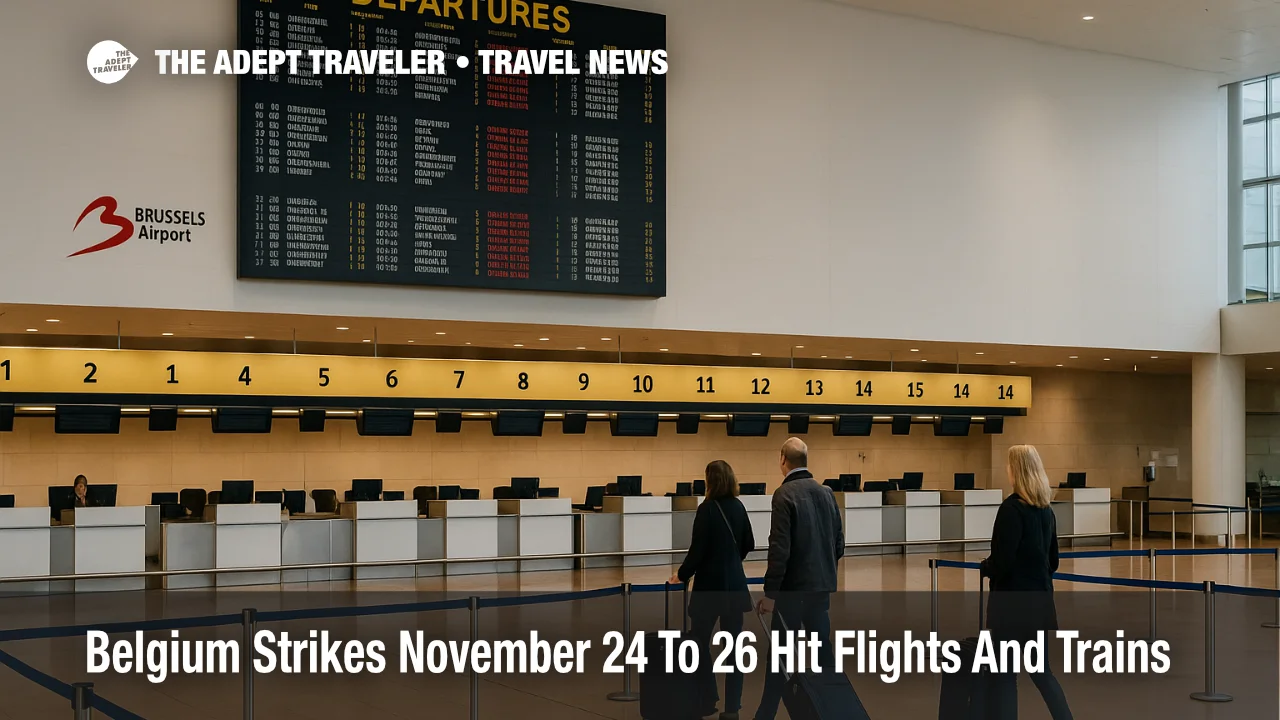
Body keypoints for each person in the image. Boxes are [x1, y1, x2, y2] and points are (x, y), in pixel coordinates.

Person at [753, 437, 844, 720]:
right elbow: (838, 543)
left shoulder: (784, 495)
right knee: (823, 652)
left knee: (780, 656)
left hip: (792, 592)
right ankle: (835, 707)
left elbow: (780, 548)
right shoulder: (827, 493)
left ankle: (765, 715)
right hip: (820, 588)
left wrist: (771, 593)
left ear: (783, 459)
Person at [981, 445, 1073, 720]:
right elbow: (1053, 560)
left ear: (1015, 470)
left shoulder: (1011, 509)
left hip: (1011, 606)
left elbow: (1002, 560)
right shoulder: (1045, 509)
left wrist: (987, 567)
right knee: (1042, 672)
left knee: (1005, 675)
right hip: (1039, 603)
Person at [668, 460, 755, 720]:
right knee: (734, 650)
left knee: (697, 645)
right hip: (735, 587)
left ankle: (705, 699)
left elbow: (697, 552)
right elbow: (749, 542)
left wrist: (681, 575)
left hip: (708, 589)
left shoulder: (706, 509)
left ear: (710, 481)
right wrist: (731, 560)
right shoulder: (739, 507)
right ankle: (732, 708)